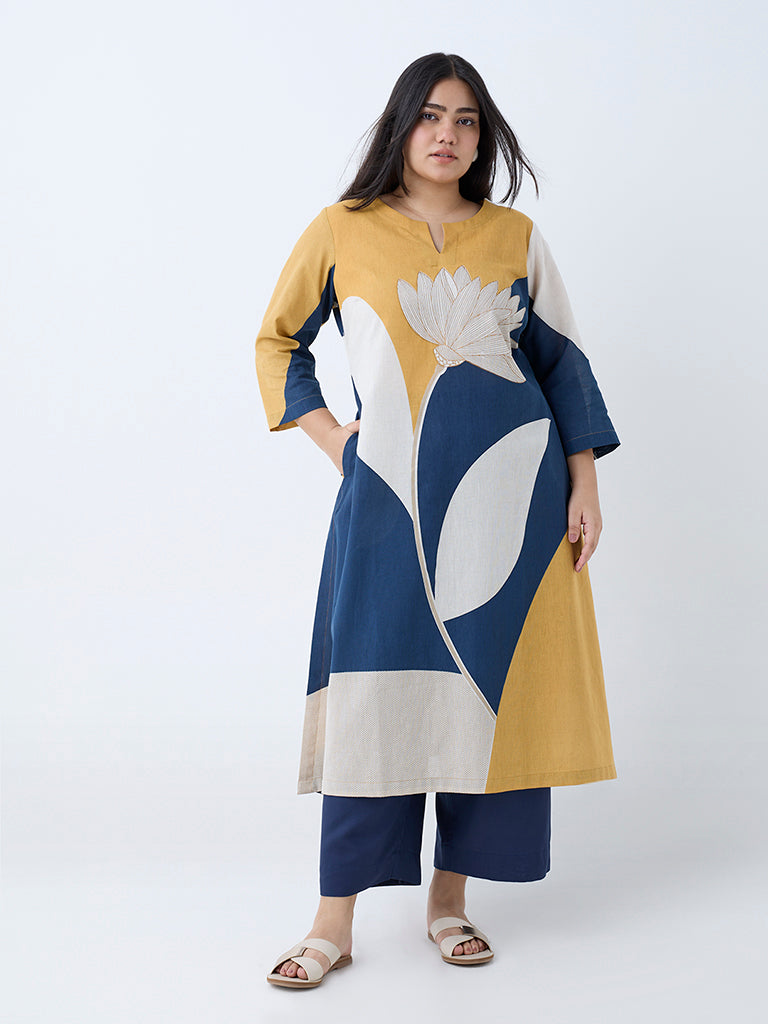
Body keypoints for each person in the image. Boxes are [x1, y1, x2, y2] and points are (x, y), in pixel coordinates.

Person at [254, 52, 620, 988]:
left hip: (511, 507)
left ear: (481, 136)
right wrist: (334, 439)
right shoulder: (343, 229)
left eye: (464, 119)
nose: (446, 134)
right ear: (400, 127)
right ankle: (332, 922)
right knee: (370, 700)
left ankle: (449, 902)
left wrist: (583, 481)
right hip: (385, 509)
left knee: (482, 696)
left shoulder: (514, 236)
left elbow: (564, 365)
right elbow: (278, 340)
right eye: (429, 116)